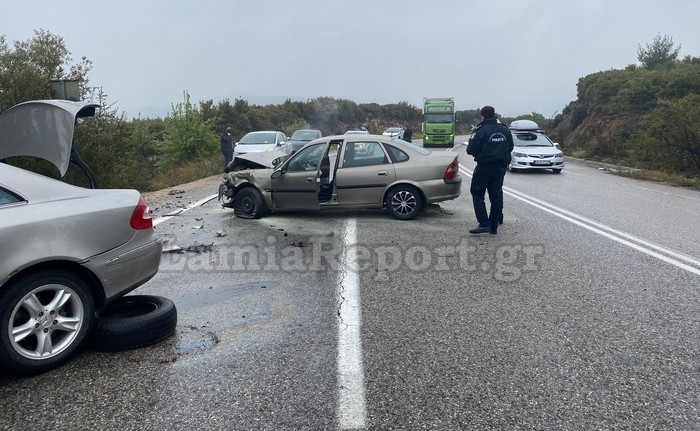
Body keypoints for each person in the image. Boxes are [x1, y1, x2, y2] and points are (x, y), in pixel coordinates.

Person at [466, 106, 513, 234]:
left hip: (484, 167)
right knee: (496, 194)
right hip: (500, 167)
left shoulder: (480, 130)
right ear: (494, 115)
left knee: (477, 192)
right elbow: (511, 147)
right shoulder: (505, 129)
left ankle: (484, 223)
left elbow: (470, 150)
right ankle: (494, 224)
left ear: (482, 116)